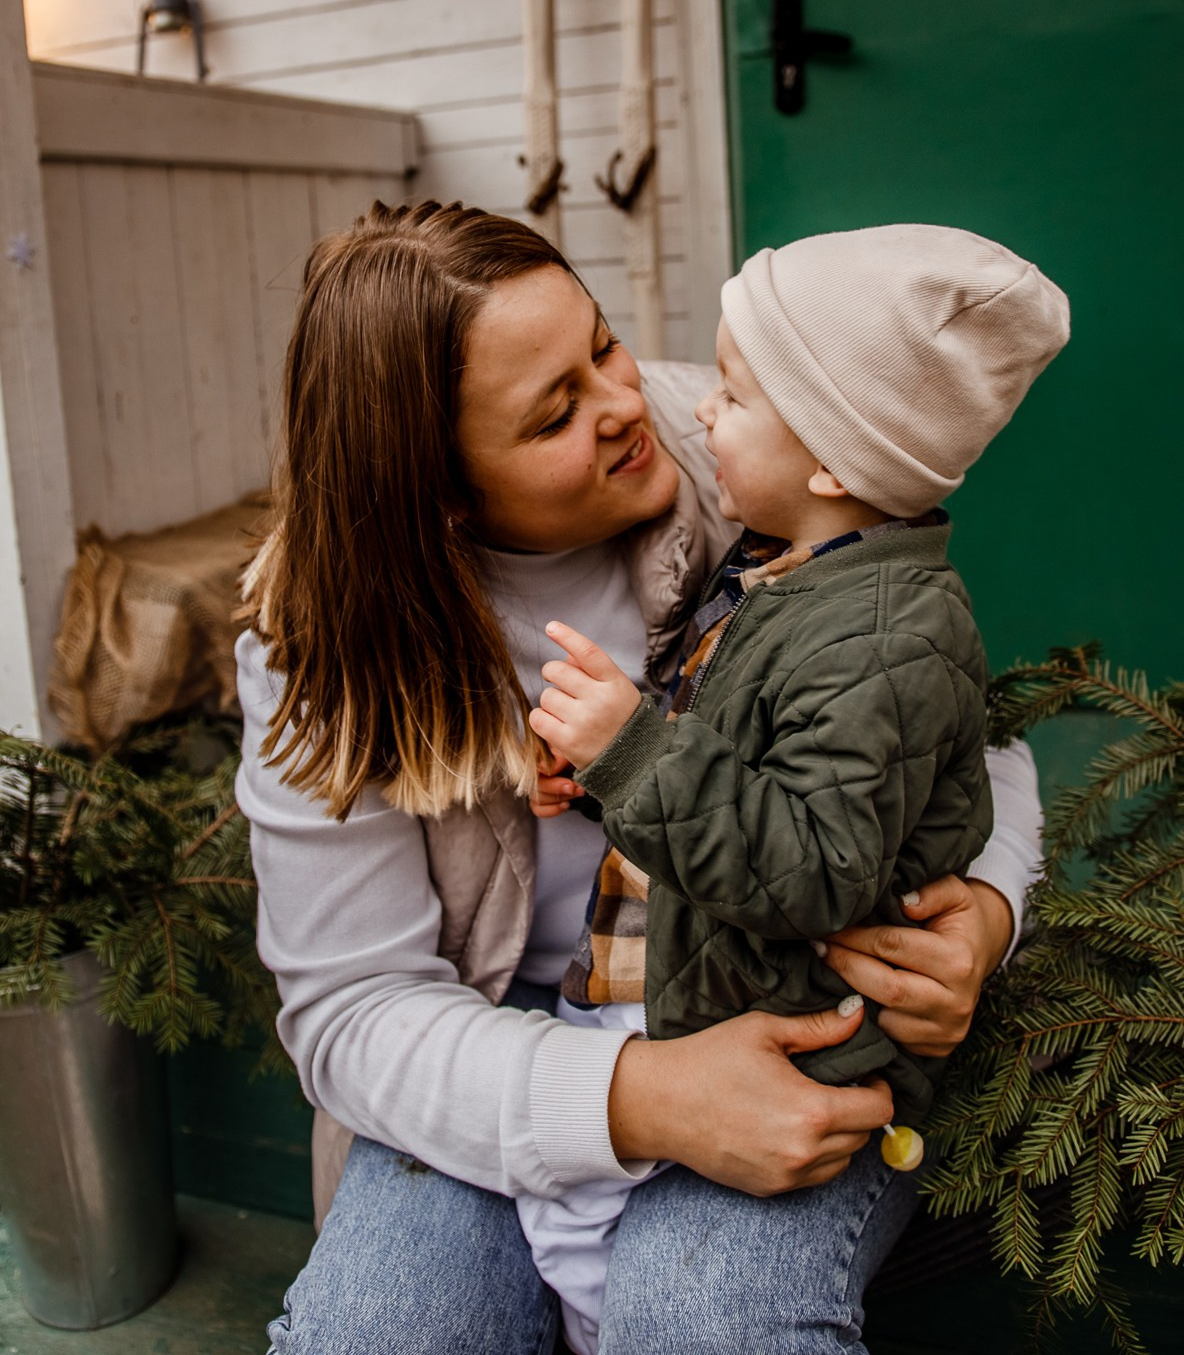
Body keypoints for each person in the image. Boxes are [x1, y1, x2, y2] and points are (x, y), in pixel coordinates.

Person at [234, 201, 1044, 1354]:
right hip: (490, 1025)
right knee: (379, 1332)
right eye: (554, 412)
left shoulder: (754, 445)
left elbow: (961, 729)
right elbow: (351, 1011)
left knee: (707, 1312)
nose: (626, 405)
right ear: (440, 493)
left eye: (603, 344)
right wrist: (644, 1096)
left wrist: (984, 918)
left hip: (766, 989)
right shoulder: (318, 640)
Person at [515, 225, 1069, 1355]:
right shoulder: (789, 564)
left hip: (789, 1040)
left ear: (830, 464)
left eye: (730, 395)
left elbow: (813, 867)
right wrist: (605, 775)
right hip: (700, 999)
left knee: (627, 1285)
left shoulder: (880, 634)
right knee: (569, 1240)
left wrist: (636, 752)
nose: (697, 412)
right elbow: (747, 760)